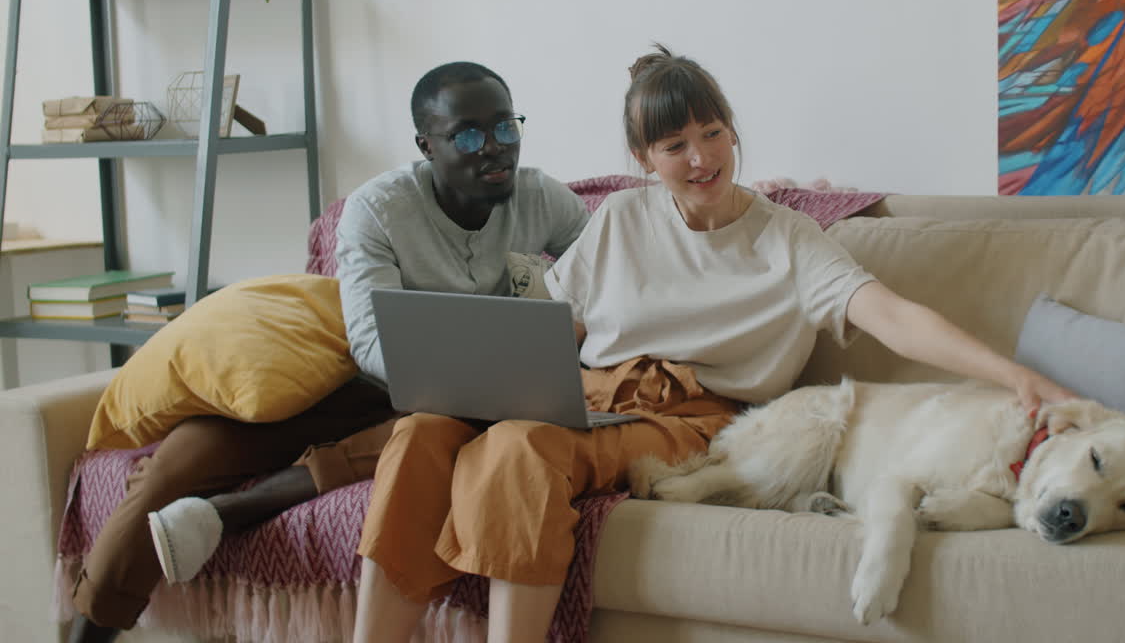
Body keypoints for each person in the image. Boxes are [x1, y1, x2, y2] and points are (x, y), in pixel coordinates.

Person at [348, 45, 1075, 643]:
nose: (700, 159)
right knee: (418, 436)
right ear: (643, 157)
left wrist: (1015, 376)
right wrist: (484, 385)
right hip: (590, 399)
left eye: (712, 134)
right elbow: (552, 327)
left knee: (517, 449)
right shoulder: (620, 222)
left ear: (731, 131)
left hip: (692, 419)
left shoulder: (788, 240)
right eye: (674, 145)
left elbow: (892, 317)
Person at [66, 61, 590, 643]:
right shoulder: (379, 210)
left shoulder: (546, 200)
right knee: (176, 467)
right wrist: (449, 374)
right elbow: (367, 341)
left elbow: (610, 272)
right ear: (426, 144)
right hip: (349, 384)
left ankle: (229, 513)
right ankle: (89, 627)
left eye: (505, 128)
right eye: (468, 134)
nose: (493, 149)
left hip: (454, 411)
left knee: (440, 429)